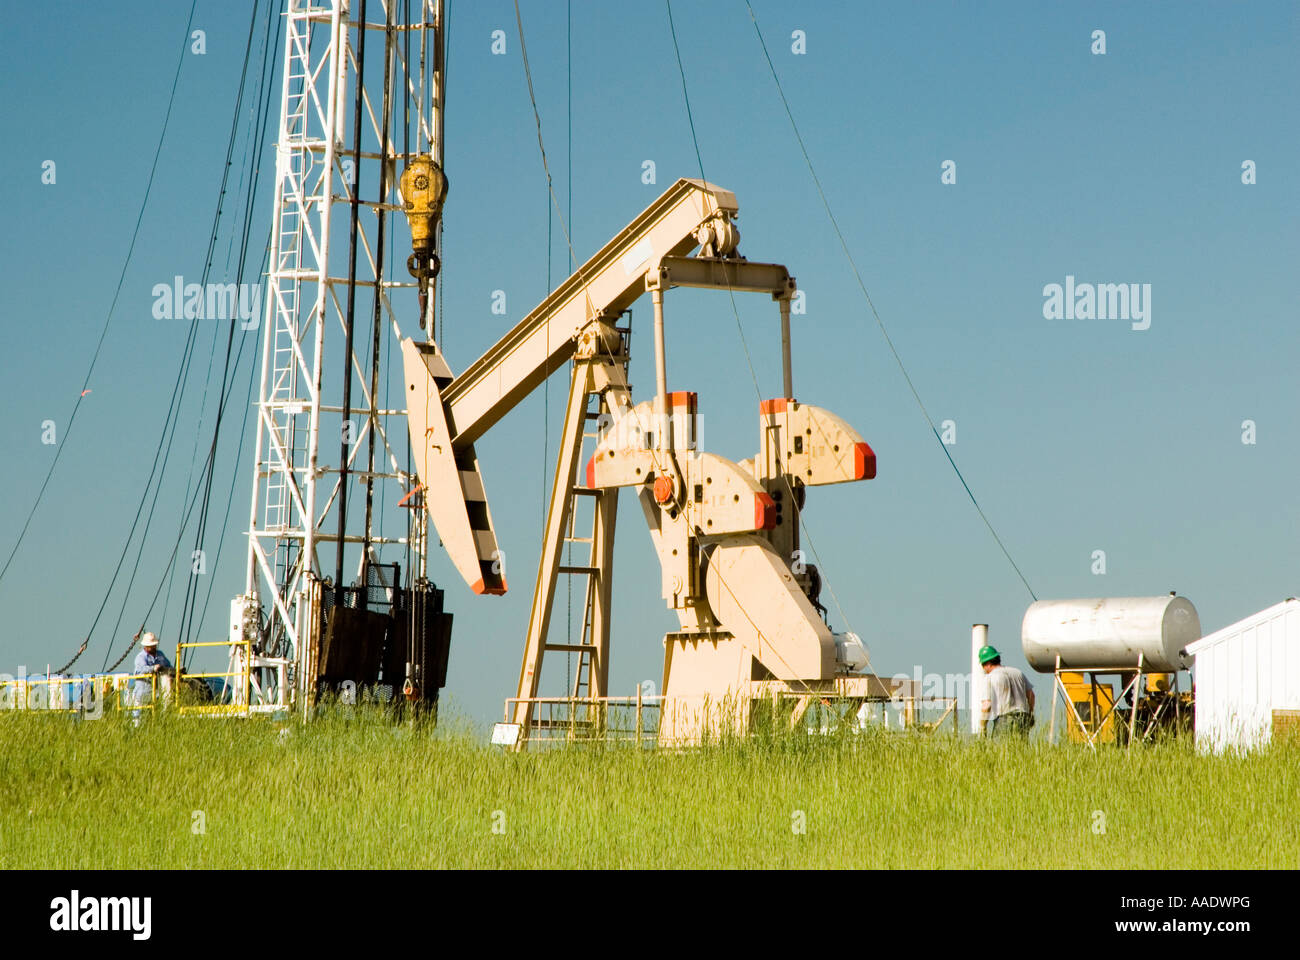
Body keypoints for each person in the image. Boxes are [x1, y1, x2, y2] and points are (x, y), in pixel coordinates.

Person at [978, 644, 1034, 738]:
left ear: (987, 664)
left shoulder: (990, 678)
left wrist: (983, 726)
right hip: (1023, 718)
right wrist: (1030, 714)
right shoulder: (1018, 672)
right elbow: (1031, 695)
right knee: (1021, 750)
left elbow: (986, 705)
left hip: (1004, 719)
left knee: (1001, 751)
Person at [132, 632, 173, 714]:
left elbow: (168, 666)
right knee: (139, 717)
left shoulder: (160, 655)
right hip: (143, 693)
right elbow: (140, 670)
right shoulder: (141, 657)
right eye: (150, 646)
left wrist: (175, 670)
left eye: (153, 645)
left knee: (155, 716)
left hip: (157, 694)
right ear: (145, 646)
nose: (152, 647)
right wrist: (153, 668)